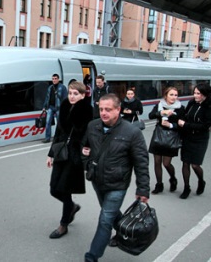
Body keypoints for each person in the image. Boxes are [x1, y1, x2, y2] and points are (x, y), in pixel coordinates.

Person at [81, 93, 149, 262]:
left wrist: (143, 189)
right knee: (110, 214)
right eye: (101, 109)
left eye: (108, 110)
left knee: (105, 220)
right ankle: (125, 233)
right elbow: (84, 147)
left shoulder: (132, 132)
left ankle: (92, 257)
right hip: (97, 180)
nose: (104, 113)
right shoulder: (92, 126)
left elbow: (141, 162)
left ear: (118, 110)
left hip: (118, 184)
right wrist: (87, 164)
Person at [46, 81, 93, 239]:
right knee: (54, 189)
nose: (72, 96)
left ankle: (63, 225)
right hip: (61, 153)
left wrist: (87, 150)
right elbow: (58, 132)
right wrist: (51, 154)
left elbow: (90, 134)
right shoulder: (65, 106)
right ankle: (72, 207)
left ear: (82, 95)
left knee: (65, 190)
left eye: (75, 94)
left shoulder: (87, 110)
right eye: (70, 93)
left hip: (74, 156)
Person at [148, 87, 185, 194]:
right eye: (171, 95)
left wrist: (170, 125)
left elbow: (182, 125)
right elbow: (150, 115)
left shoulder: (180, 108)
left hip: (172, 137)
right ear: (166, 95)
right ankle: (159, 184)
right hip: (159, 135)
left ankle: (173, 178)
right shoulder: (160, 105)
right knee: (157, 162)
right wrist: (161, 113)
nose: (174, 97)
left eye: (176, 95)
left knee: (166, 163)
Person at [177, 83, 211, 199]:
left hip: (200, 139)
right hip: (187, 137)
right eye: (195, 93)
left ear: (205, 95)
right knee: (185, 163)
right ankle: (187, 187)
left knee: (195, 165)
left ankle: (201, 181)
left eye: (198, 93)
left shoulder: (209, 107)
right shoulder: (192, 103)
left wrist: (186, 124)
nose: (195, 96)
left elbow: (204, 126)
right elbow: (185, 115)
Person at [42, 73, 68, 143]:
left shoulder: (62, 87)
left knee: (59, 123)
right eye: (53, 79)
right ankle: (47, 138)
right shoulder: (50, 88)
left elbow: (65, 98)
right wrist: (44, 106)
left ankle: (60, 137)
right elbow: (47, 98)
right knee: (48, 122)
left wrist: (64, 108)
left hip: (59, 107)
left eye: (55, 79)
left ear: (58, 79)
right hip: (51, 107)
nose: (54, 80)